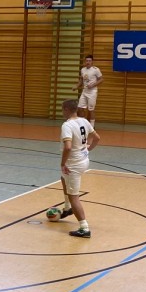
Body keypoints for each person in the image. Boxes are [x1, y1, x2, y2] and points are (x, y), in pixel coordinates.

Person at [51, 99, 99, 238]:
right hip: (84, 160)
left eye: (62, 109)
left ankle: (84, 228)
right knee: (63, 178)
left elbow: (68, 147)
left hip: (74, 165)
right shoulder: (84, 121)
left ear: (66, 109)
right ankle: (67, 208)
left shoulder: (67, 125)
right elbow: (97, 138)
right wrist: (88, 148)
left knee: (74, 197)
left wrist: (63, 163)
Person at [77, 54, 102, 127]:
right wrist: (76, 86)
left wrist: (93, 85)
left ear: (92, 61)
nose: (88, 62)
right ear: (85, 61)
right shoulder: (83, 69)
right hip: (84, 91)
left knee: (91, 109)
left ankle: (92, 126)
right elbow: (81, 80)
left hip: (92, 92)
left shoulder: (96, 70)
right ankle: (83, 124)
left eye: (89, 61)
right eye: (87, 61)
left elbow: (101, 79)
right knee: (80, 108)